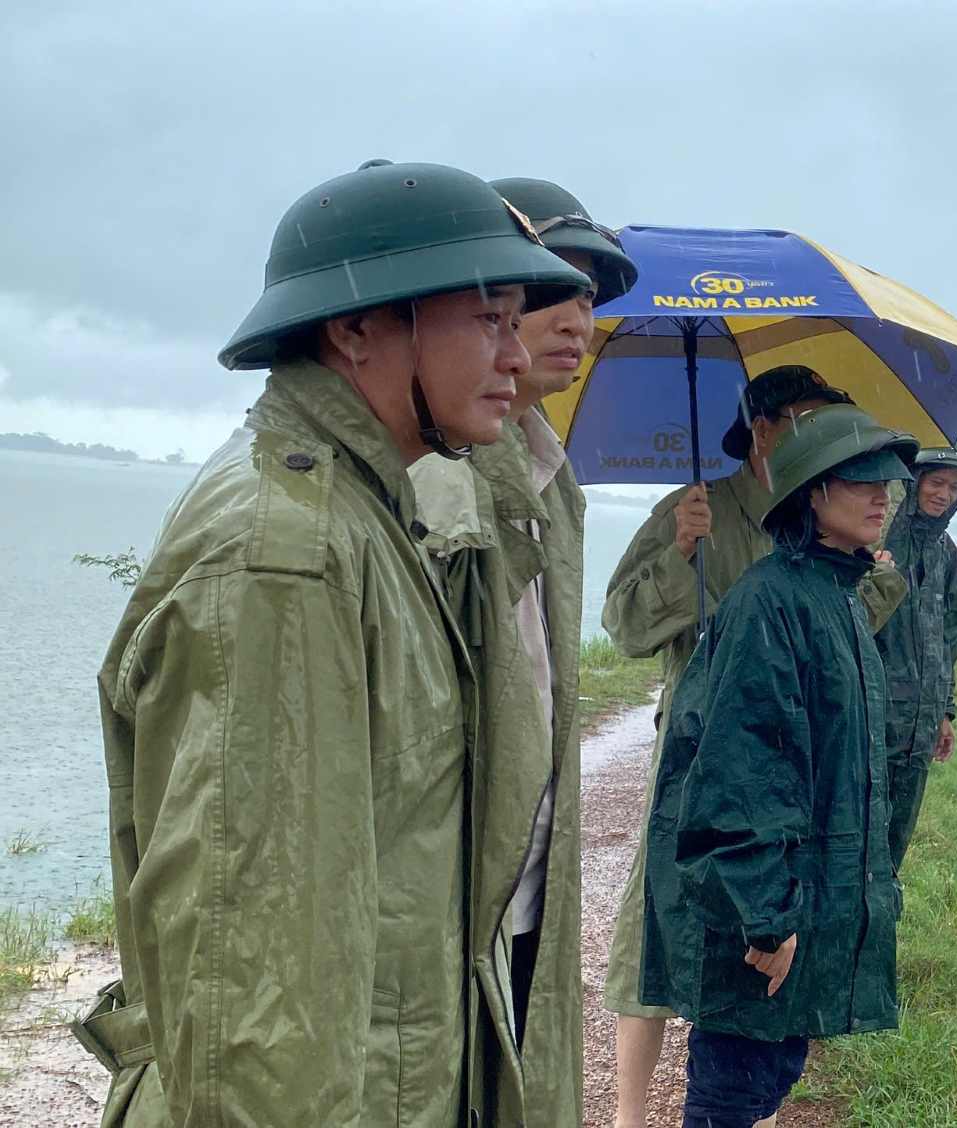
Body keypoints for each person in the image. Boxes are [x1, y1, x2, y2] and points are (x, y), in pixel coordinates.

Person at [73, 160, 590, 1126]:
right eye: (488, 319)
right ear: (355, 329)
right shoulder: (289, 557)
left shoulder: (369, 515)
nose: (516, 358)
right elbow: (253, 986)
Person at [599, 365, 907, 1126]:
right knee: (665, 934)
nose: (879, 492)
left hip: (782, 785)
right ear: (764, 428)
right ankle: (629, 1116)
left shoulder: (822, 576)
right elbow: (626, 627)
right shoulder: (701, 513)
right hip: (710, 766)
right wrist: (678, 552)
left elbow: (831, 670)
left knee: (755, 1031)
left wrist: (880, 580)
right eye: (807, 424)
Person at [408, 177, 638, 1122]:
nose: (575, 315)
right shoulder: (439, 470)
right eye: (548, 289)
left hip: (523, 888)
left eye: (590, 295)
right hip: (449, 904)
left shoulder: (545, 466)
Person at [874, 439, 957, 870]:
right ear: (913, 480)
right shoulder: (879, 540)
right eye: (936, 481)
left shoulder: (945, 552)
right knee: (854, 849)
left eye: (954, 487)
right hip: (872, 725)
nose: (944, 494)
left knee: (893, 852)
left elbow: (947, 639)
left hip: (919, 731)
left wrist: (945, 712)